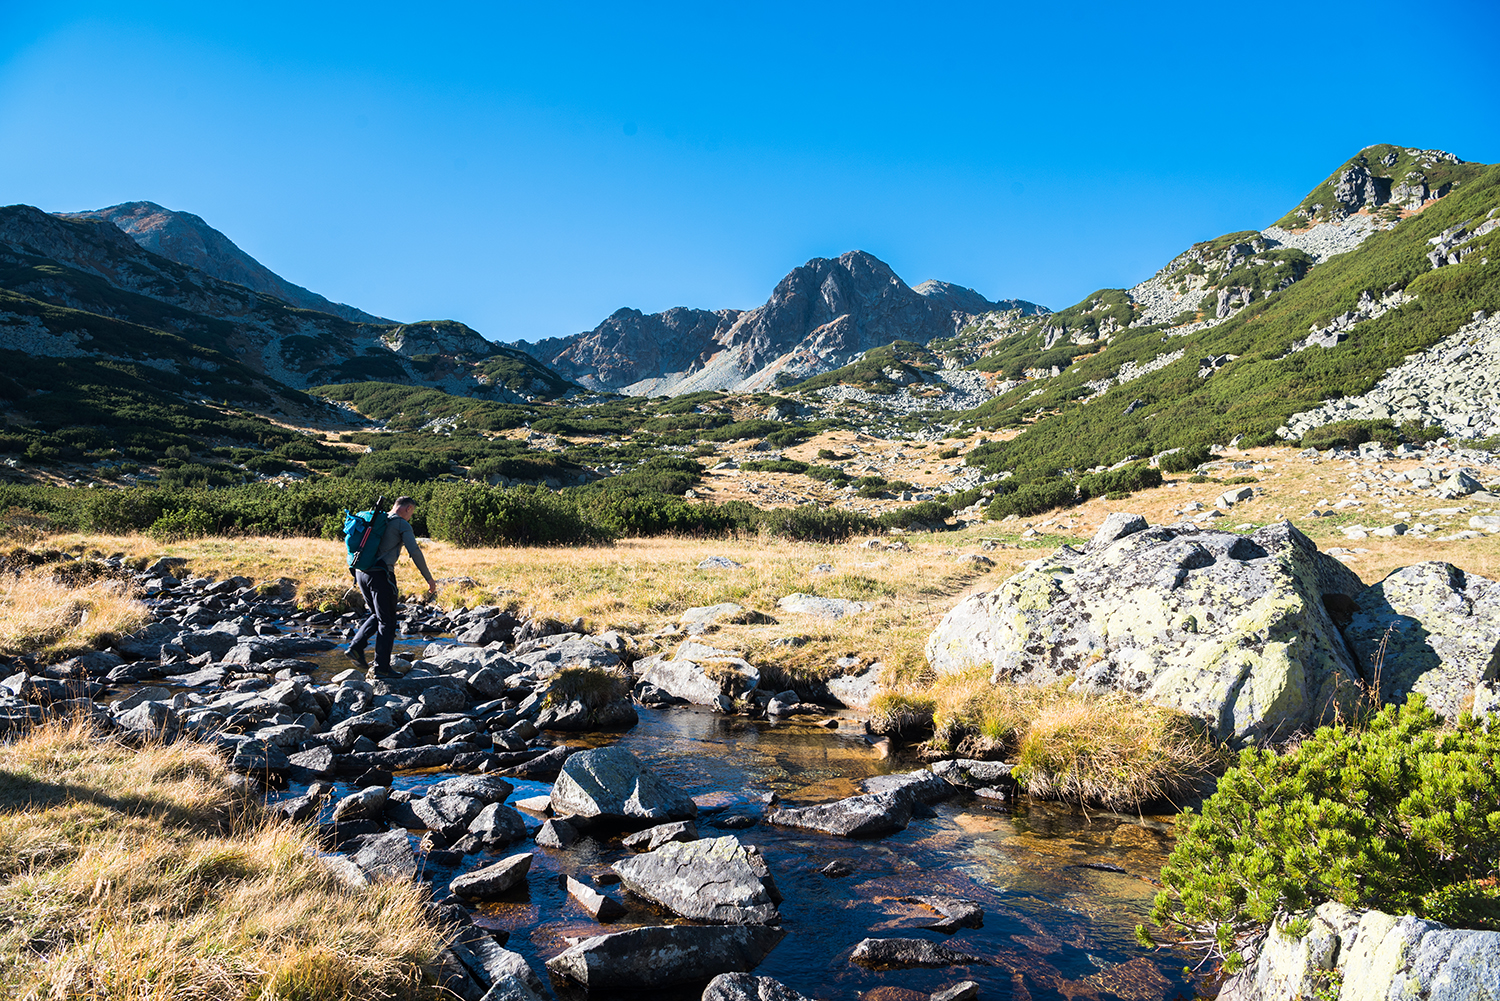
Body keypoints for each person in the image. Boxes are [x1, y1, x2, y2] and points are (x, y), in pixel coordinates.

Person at [347, 496, 437, 676]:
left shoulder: (377, 519)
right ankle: (382, 668)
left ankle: (356, 647)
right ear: (408, 508)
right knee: (387, 622)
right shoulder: (401, 524)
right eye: (412, 512)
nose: (411, 516)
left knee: (377, 614)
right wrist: (429, 578)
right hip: (381, 575)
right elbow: (415, 551)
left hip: (361, 573)